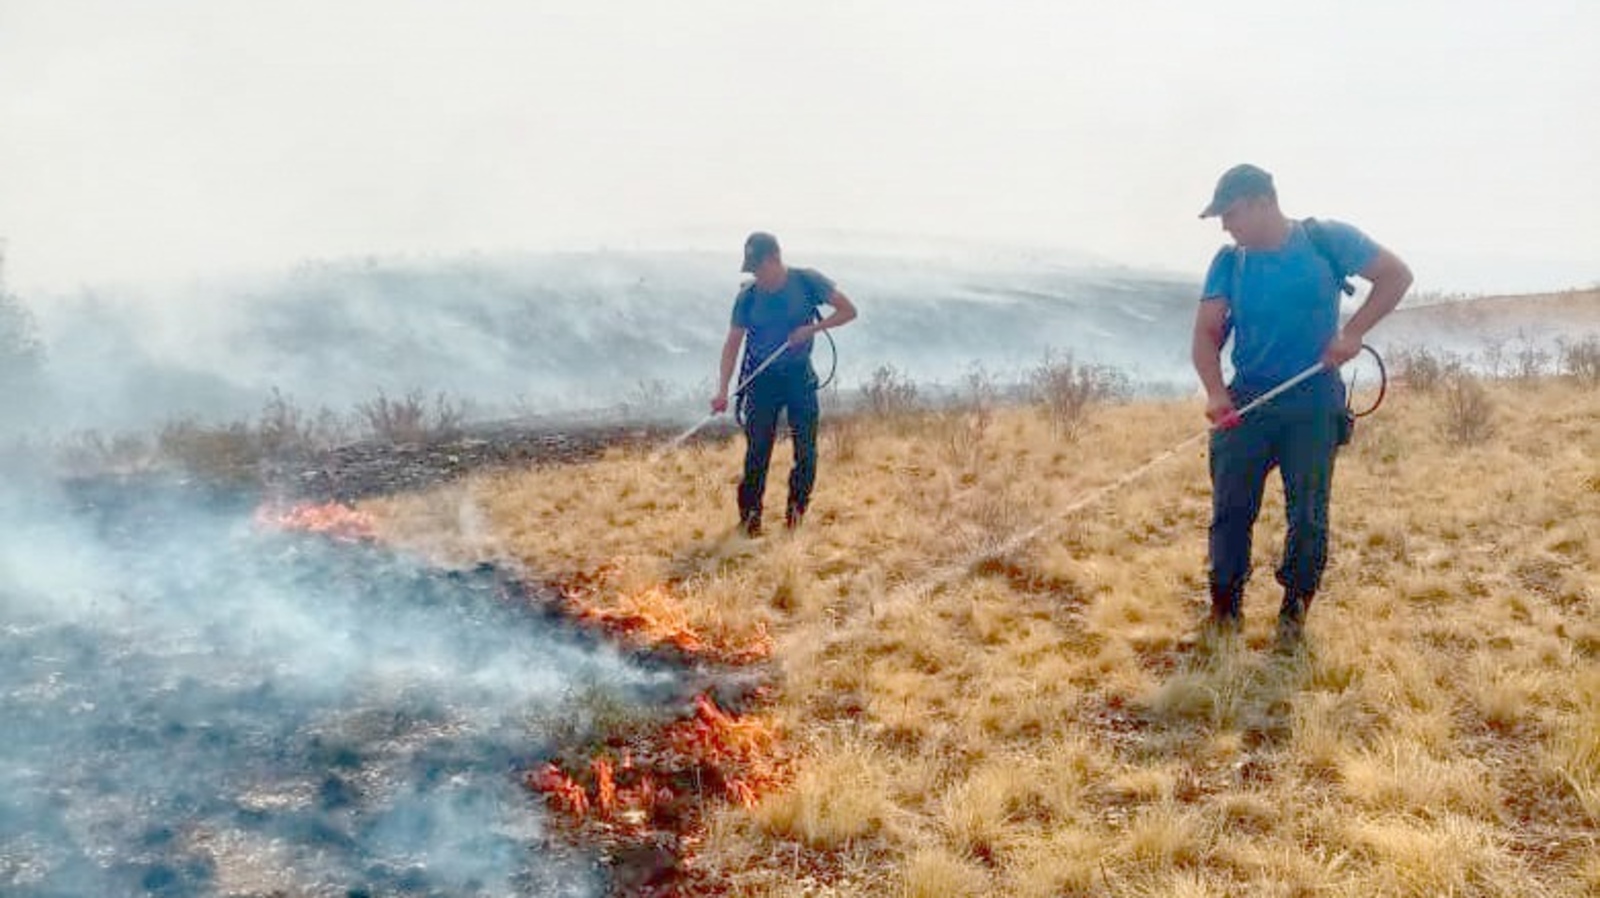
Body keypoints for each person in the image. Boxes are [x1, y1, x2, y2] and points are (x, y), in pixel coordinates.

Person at [1192, 164, 1412, 644]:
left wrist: (1353, 333)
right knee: (1230, 512)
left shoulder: (1327, 240)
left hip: (1314, 401)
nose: (1226, 226)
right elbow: (1206, 335)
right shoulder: (1228, 262)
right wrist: (1216, 392)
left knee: (1308, 515)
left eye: (1231, 214)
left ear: (1262, 203)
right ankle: (1224, 613)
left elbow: (1396, 276)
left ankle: (1293, 617)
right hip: (1247, 400)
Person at [712, 233, 857, 536]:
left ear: (775, 259)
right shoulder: (748, 296)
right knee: (757, 452)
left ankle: (795, 516)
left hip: (799, 378)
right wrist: (722, 390)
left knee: (806, 451)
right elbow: (732, 344)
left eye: (759, 267)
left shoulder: (807, 281)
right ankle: (750, 521)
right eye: (752, 269)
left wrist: (811, 329)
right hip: (761, 381)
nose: (756, 275)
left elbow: (848, 311)